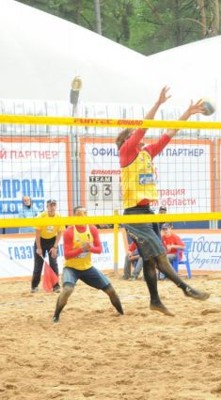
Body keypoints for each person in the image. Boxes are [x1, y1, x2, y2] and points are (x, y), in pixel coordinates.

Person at [116, 86, 210, 316]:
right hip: (134, 215)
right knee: (159, 254)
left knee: (150, 261)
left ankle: (155, 301)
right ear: (127, 139)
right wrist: (158, 104)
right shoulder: (126, 151)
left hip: (148, 212)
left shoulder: (147, 153)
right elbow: (144, 126)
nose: (139, 137)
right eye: (134, 135)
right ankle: (185, 288)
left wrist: (188, 113)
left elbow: (170, 132)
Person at [52, 206, 124, 322]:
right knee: (67, 290)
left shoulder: (92, 229)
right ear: (75, 216)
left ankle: (121, 313)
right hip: (71, 268)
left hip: (87, 268)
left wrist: (89, 248)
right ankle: (56, 316)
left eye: (85, 213)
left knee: (111, 290)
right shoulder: (69, 232)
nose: (84, 216)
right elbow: (67, 255)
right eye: (80, 214)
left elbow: (99, 250)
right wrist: (82, 249)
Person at [31, 199, 64, 293]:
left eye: (54, 205)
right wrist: (39, 248)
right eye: (50, 205)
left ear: (56, 206)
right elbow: (37, 234)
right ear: (47, 207)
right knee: (38, 265)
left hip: (52, 241)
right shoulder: (41, 216)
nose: (52, 207)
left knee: (53, 263)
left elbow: (59, 233)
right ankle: (34, 286)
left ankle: (56, 286)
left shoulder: (59, 217)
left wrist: (55, 247)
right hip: (41, 240)